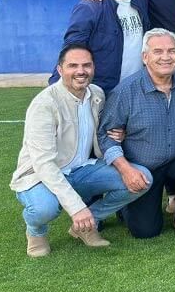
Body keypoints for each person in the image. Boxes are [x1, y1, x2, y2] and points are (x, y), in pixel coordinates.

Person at [11, 45, 150, 257]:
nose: (81, 71)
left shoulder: (97, 93)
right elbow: (44, 164)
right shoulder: (44, 104)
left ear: (93, 68)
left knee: (141, 179)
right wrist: (77, 207)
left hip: (81, 169)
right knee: (43, 209)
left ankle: (86, 225)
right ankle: (36, 231)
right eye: (73, 66)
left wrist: (119, 134)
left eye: (86, 65)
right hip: (40, 175)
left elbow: (103, 131)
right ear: (60, 69)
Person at [98, 29, 175, 238]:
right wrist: (126, 170)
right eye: (158, 51)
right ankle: (125, 206)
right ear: (145, 57)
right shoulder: (126, 91)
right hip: (142, 164)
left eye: (172, 51)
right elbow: (105, 136)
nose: (166, 57)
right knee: (146, 231)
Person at [58, 0, 149, 94]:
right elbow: (71, 49)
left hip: (137, 89)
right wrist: (58, 89)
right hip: (103, 91)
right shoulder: (90, 7)